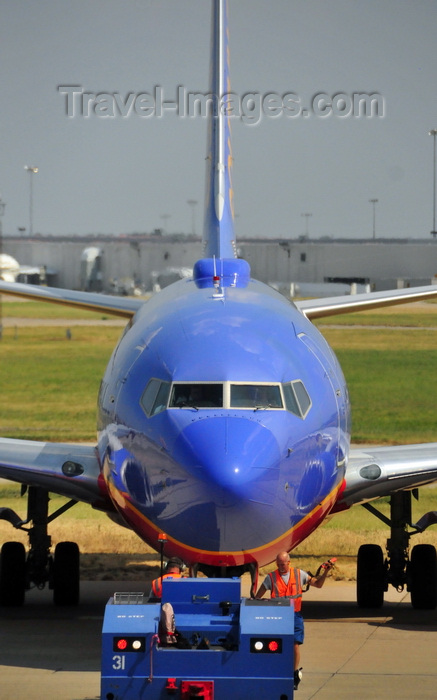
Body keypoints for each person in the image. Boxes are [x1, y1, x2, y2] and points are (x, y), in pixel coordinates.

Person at [255, 550, 335, 691]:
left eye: (283, 564)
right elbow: (258, 597)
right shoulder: (271, 577)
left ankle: (294, 674)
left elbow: (318, 584)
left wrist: (325, 573)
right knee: (275, 646)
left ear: (289, 562)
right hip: (277, 617)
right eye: (279, 564)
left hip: (294, 616)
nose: (281, 567)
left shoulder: (299, 574)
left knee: (295, 645)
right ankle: (275, 671)